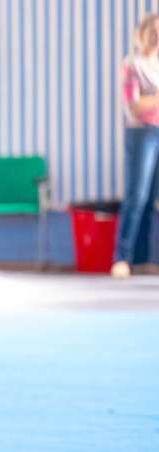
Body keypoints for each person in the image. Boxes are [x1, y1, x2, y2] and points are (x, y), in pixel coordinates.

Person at [114, 14, 159, 278]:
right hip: (142, 134)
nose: (156, 34)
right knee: (137, 197)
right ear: (142, 34)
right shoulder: (133, 64)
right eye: (152, 30)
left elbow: (146, 102)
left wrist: (150, 99)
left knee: (152, 199)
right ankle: (122, 257)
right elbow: (135, 106)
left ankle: (142, 258)